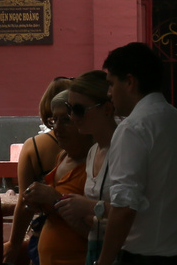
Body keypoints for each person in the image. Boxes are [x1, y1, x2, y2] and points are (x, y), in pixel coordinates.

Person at [95, 43, 177, 265]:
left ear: (130, 82)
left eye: (111, 84)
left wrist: (104, 261)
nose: (109, 94)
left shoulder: (132, 129)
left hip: (143, 257)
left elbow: (124, 207)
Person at [15, 92, 94, 265]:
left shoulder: (96, 166)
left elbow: (97, 233)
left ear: (83, 121)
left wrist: (54, 200)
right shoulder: (63, 156)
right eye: (54, 120)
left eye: (65, 120)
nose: (57, 128)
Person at [46, 72, 118, 249]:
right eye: (70, 110)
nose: (73, 118)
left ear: (107, 109)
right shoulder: (94, 151)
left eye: (78, 110)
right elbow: (89, 224)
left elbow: (135, 213)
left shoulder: (125, 150)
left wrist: (90, 207)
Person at [6, 77, 72, 265]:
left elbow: (24, 203)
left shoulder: (34, 147)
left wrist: (14, 244)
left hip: (46, 233)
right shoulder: (91, 145)